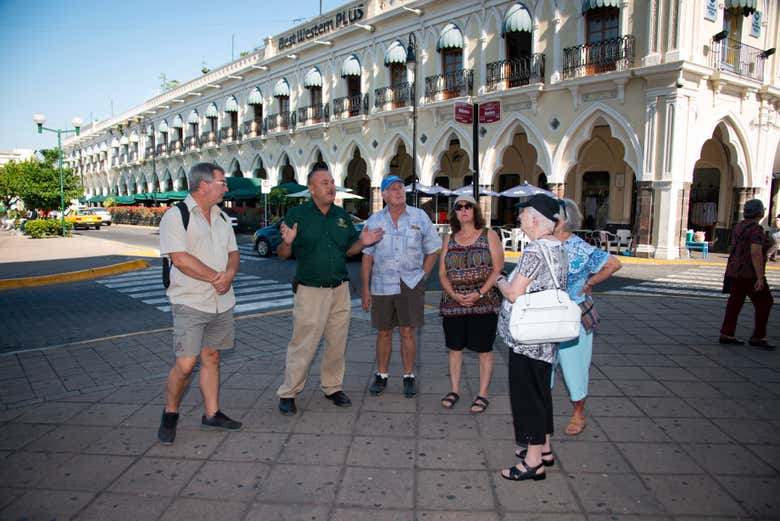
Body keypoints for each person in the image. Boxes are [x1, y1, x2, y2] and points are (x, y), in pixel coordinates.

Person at [276, 166, 384, 415]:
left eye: (332, 182)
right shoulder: (297, 215)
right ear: (311, 189)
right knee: (303, 343)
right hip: (311, 290)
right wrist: (287, 242)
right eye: (324, 183)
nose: (331, 186)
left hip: (340, 289)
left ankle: (333, 387)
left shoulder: (341, 216)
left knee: (337, 343)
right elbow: (283, 255)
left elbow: (348, 250)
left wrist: (362, 242)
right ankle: (289, 392)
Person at [157, 162, 242, 445]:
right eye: (222, 182)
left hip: (221, 301)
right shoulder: (175, 216)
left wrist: (228, 275)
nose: (226, 187)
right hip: (190, 301)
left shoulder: (221, 217)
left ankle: (212, 413)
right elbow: (179, 259)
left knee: (212, 357)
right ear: (204, 185)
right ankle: (170, 413)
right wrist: (215, 278)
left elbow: (233, 253)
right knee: (185, 364)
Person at [495, 194, 567, 482]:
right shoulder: (557, 247)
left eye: (523, 214)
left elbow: (514, 292)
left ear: (535, 218)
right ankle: (545, 448)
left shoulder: (536, 250)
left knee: (529, 398)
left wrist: (500, 279)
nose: (520, 219)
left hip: (529, 338)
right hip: (546, 334)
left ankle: (533, 461)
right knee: (541, 392)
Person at [362, 175, 441, 398]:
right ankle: (382, 375)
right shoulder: (375, 220)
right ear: (384, 195)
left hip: (410, 284)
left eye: (401, 188)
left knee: (408, 332)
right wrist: (366, 289)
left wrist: (423, 277)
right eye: (393, 189)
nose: (399, 192)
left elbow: (433, 249)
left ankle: (408, 376)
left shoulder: (419, 216)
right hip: (381, 285)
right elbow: (367, 257)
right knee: (384, 332)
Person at [553, 199, 622, 435]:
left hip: (574, 316)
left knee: (574, 366)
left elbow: (613, 263)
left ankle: (578, 414)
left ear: (562, 221)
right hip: (547, 316)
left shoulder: (579, 247)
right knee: (543, 367)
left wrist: (590, 282)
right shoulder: (545, 243)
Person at [438, 194, 503, 413]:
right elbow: (442, 273)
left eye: (468, 206)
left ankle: (482, 393)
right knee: (454, 348)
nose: (464, 210)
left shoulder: (488, 235)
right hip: (453, 303)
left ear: (475, 210)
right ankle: (454, 389)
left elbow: (497, 270)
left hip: (483, 302)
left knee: (484, 348)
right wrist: (455, 295)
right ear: (455, 212)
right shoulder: (449, 238)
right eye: (459, 207)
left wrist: (479, 293)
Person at [719, 199, 775, 349]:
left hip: (735, 270)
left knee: (735, 302)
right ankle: (759, 335)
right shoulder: (756, 230)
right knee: (765, 301)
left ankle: (727, 332)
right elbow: (755, 253)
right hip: (748, 273)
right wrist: (760, 277)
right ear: (760, 213)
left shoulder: (739, 227)